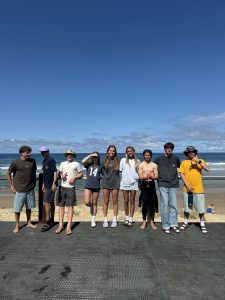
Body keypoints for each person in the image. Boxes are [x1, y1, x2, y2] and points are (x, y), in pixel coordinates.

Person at [7, 145, 37, 233]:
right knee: (17, 209)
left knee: (29, 207)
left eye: (29, 152)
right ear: (22, 153)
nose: (29, 154)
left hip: (30, 189)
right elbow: (8, 173)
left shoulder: (33, 161)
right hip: (19, 189)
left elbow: (34, 172)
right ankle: (17, 225)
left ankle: (29, 222)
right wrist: (11, 186)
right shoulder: (15, 162)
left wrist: (33, 183)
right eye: (27, 152)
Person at [179, 146, 209, 234]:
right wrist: (187, 185)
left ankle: (202, 224)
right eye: (189, 152)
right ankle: (185, 223)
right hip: (187, 189)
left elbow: (207, 169)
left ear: (195, 152)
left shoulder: (201, 161)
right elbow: (182, 174)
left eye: (192, 152)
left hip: (199, 189)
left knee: (201, 208)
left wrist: (198, 160)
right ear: (187, 153)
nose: (191, 153)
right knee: (187, 208)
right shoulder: (184, 162)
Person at [154, 142, 181, 234]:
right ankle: (165, 225)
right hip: (162, 184)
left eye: (170, 148)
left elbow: (180, 168)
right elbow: (153, 166)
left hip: (173, 184)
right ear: (164, 149)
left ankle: (174, 224)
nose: (169, 149)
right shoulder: (159, 158)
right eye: (167, 148)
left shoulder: (176, 158)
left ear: (172, 149)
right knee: (164, 205)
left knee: (173, 205)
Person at [56, 149, 83, 235]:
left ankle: (68, 226)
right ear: (66, 155)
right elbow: (59, 173)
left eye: (71, 154)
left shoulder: (77, 164)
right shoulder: (62, 163)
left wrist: (75, 177)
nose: (69, 156)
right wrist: (61, 175)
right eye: (68, 154)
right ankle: (60, 225)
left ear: (73, 156)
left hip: (71, 188)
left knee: (70, 207)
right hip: (62, 187)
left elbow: (81, 174)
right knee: (61, 206)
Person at [120, 146, 140, 228]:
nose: (129, 152)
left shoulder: (138, 161)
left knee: (132, 201)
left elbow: (140, 172)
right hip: (124, 183)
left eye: (131, 151)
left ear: (133, 151)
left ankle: (131, 219)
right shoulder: (123, 160)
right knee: (125, 200)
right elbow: (120, 171)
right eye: (128, 151)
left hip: (134, 183)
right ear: (126, 153)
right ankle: (127, 218)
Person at [138, 149, 158, 230]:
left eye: (149, 155)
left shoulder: (154, 165)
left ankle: (152, 221)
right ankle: (144, 221)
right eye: (146, 155)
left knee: (152, 204)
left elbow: (156, 176)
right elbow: (140, 177)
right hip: (144, 185)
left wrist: (146, 174)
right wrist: (149, 175)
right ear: (144, 156)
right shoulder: (141, 165)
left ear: (151, 156)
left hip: (152, 185)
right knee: (145, 204)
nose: (147, 156)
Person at [101, 145, 120, 228]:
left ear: (115, 152)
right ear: (107, 151)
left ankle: (114, 219)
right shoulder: (104, 161)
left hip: (115, 183)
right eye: (110, 150)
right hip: (105, 183)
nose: (112, 152)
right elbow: (101, 172)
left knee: (115, 201)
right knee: (106, 201)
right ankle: (105, 219)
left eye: (113, 151)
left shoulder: (118, 161)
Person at [82, 151, 102, 227]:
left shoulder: (100, 166)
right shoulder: (88, 165)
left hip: (96, 186)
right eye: (93, 156)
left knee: (95, 203)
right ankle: (90, 207)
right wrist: (90, 154)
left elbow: (103, 175)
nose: (94, 158)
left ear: (98, 157)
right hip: (88, 185)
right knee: (87, 202)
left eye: (96, 156)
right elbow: (83, 161)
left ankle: (93, 219)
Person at [40, 146, 57, 232]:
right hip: (46, 184)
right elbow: (45, 173)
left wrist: (54, 183)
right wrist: (43, 183)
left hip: (51, 185)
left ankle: (48, 221)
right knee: (50, 202)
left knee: (45, 202)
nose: (43, 153)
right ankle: (52, 219)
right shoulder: (44, 161)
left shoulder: (51, 160)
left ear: (48, 152)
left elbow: (55, 172)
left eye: (44, 152)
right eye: (42, 152)